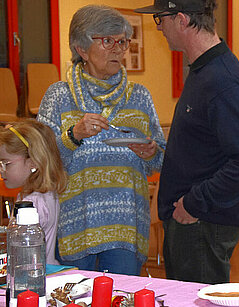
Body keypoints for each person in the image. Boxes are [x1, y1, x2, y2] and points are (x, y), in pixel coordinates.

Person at [37, 5, 165, 275]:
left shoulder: (139, 96)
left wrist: (150, 152)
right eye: (108, 41)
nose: (119, 49)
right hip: (76, 229)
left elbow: (162, 160)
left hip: (126, 231)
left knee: (121, 299)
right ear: (81, 49)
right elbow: (39, 162)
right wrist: (73, 136)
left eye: (122, 41)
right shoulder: (59, 96)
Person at [134, 0, 239, 284]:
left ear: (181, 19)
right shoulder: (203, 70)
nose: (160, 28)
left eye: (160, 19)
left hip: (202, 222)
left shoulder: (223, 80)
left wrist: (193, 203)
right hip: (191, 220)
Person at [0, 119, 68, 265]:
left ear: (33, 162)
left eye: (6, 163)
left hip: (32, 276)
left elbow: (19, 251)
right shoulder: (44, 194)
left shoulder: (32, 203)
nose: (2, 171)